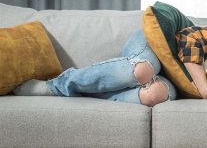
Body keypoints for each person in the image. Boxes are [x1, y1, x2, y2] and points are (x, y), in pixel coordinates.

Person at [13, 30, 177, 107]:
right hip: (155, 45)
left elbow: (204, 92)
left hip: (176, 79)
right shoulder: (199, 34)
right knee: (143, 71)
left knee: (154, 94)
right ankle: (56, 85)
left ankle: (84, 90)